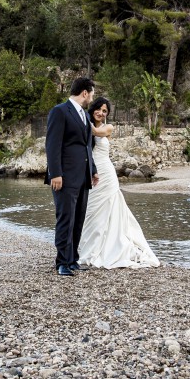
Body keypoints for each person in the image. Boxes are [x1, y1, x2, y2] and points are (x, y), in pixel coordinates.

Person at [78, 97, 160, 269]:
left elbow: (94, 131)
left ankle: (110, 246)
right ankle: (88, 246)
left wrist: (81, 116)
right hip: (90, 172)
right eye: (98, 109)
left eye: (105, 111)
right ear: (93, 109)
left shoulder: (107, 127)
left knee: (111, 207)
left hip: (106, 173)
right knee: (91, 209)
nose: (101, 113)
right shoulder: (85, 125)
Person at [44, 77, 98, 276]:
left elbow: (87, 146)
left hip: (82, 176)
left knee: (78, 219)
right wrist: (55, 173)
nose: (92, 97)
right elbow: (52, 145)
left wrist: (92, 170)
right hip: (64, 177)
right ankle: (62, 262)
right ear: (85, 92)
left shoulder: (84, 114)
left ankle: (73, 258)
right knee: (65, 218)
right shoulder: (59, 111)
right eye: (91, 93)